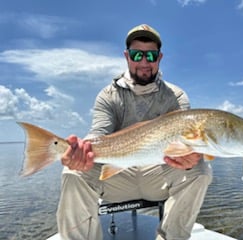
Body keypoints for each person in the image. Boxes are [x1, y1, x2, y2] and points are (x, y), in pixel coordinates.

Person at [57, 24, 212, 240]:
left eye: (151, 55)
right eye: (137, 54)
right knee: (73, 174)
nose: (144, 62)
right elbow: (98, 134)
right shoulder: (108, 96)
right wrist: (80, 153)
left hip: (159, 174)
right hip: (117, 178)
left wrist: (192, 156)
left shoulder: (175, 96)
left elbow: (185, 141)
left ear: (160, 58)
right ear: (126, 56)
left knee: (200, 170)